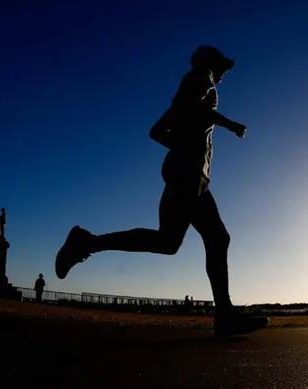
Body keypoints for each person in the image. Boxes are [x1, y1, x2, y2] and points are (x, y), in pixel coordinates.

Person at [55, 45, 268, 337]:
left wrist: (183, 146)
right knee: (214, 238)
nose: (224, 75)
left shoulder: (188, 90)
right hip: (189, 174)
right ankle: (225, 315)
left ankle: (87, 242)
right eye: (223, 67)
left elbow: (157, 131)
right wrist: (229, 125)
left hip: (188, 173)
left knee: (172, 241)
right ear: (209, 63)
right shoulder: (201, 80)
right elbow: (196, 112)